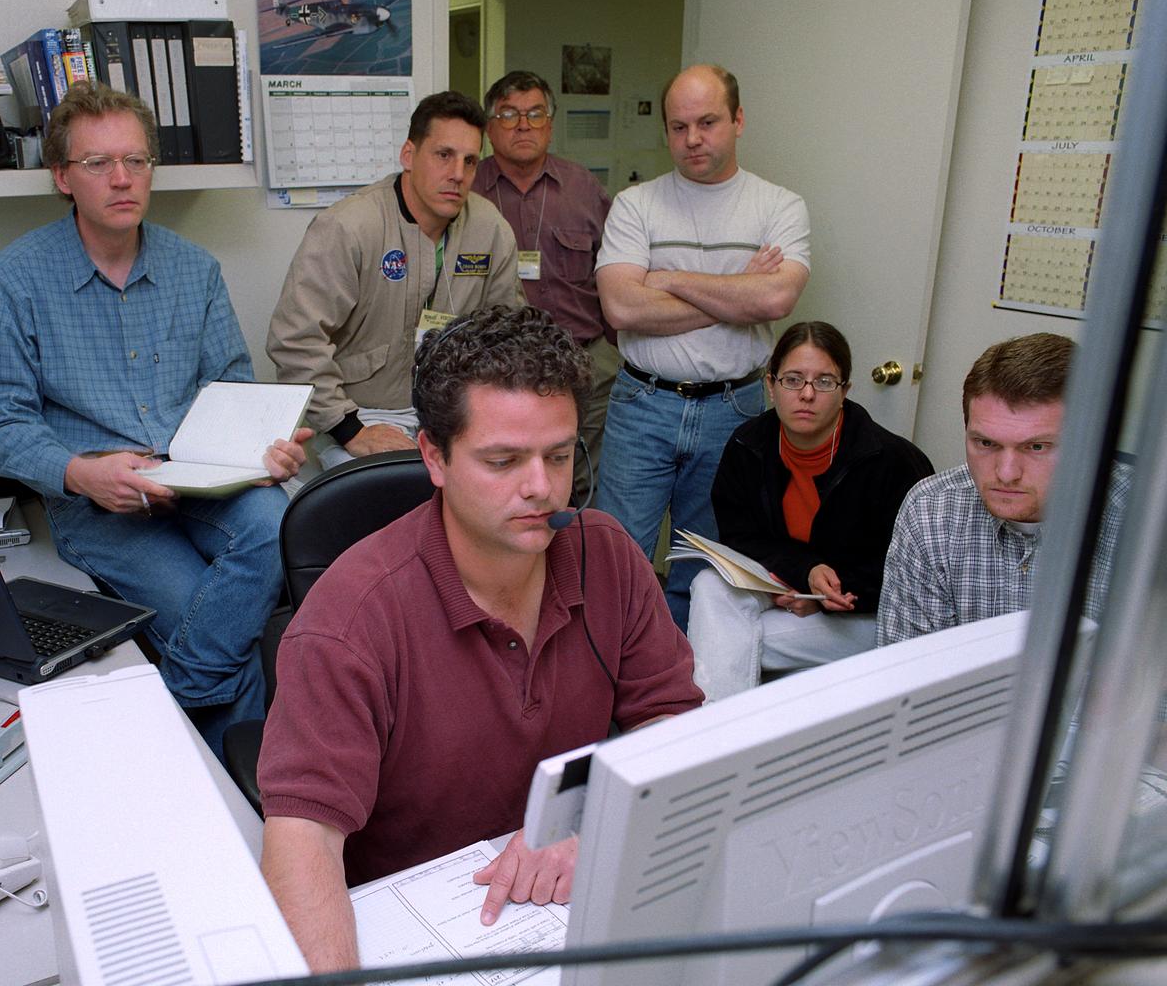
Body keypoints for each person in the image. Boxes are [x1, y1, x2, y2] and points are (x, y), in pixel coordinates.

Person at [258, 305, 703, 972]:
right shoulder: (349, 620)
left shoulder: (605, 554)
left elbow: (673, 723)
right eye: (503, 461)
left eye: (558, 456)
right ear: (433, 456)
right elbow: (303, 844)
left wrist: (592, 824)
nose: (542, 487)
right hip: (416, 921)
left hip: (560, 902)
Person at [0, 82, 310, 759]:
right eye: (98, 163)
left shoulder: (194, 269)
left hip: (202, 477)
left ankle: (170, 717)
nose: (122, 179)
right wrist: (80, 473)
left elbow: (230, 386)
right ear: (63, 176)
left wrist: (262, 450)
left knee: (280, 527)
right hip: (100, 500)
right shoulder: (17, 279)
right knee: (197, 613)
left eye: (137, 160)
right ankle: (244, 780)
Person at [593, 63, 811, 629]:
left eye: (708, 122)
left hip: (732, 411)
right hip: (642, 403)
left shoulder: (779, 206)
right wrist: (738, 285)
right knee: (616, 562)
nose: (692, 139)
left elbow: (776, 300)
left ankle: (687, 695)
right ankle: (618, 696)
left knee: (709, 569)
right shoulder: (635, 204)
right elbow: (620, 308)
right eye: (678, 126)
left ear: (738, 120)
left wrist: (666, 278)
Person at [267, 90, 522, 473]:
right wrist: (350, 429)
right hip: (355, 415)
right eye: (443, 155)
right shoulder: (349, 227)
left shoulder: (490, 230)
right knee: (392, 497)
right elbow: (295, 342)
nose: (457, 173)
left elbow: (508, 338)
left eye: (470, 161)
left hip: (450, 416)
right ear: (409, 155)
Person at [688, 322, 933, 700]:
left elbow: (917, 575)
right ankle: (723, 735)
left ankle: (711, 740)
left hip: (861, 613)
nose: (806, 394)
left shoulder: (894, 462)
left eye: (823, 382)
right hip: (782, 584)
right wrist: (804, 572)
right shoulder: (747, 445)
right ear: (771, 386)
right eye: (792, 380)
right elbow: (740, 538)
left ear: (845, 392)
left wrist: (829, 593)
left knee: (728, 641)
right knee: (708, 585)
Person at [876, 332, 1130, 646]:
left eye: (1036, 446)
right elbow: (907, 672)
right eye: (986, 443)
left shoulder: (1144, 527)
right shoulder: (932, 511)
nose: (1006, 473)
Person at [472, 70, 617, 501]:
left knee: (582, 480)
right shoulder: (467, 191)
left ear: (550, 124)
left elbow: (613, 272)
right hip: (494, 374)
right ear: (489, 127)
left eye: (535, 114)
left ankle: (573, 565)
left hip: (586, 364)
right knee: (508, 485)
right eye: (510, 114)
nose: (523, 125)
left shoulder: (583, 188)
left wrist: (612, 354)